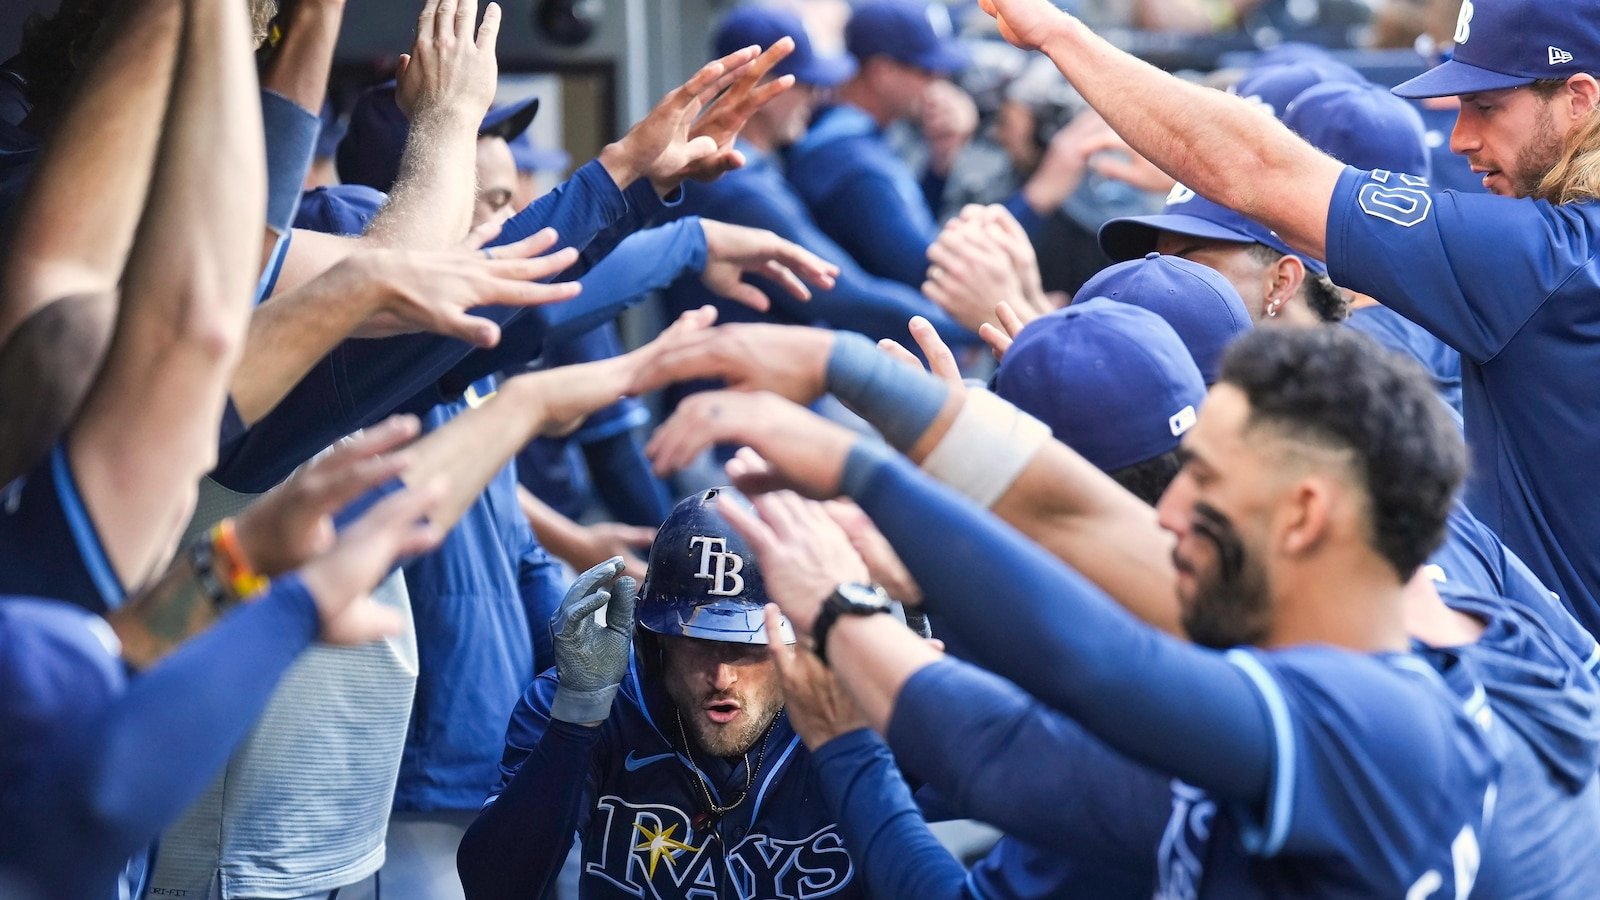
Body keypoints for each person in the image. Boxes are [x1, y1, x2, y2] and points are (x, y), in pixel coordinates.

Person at [644, 326, 1502, 895]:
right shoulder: (1340, 636)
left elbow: (1031, 723)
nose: (1167, 514)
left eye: (1206, 481)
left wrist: (840, 611)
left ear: (1305, 516)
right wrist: (847, 380)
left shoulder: (1373, 726)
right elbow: (1078, 515)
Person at [975, 0, 1600, 636]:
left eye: (1488, 105)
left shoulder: (1549, 263)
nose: (1462, 135)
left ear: (1579, 98)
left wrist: (1059, 33)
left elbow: (1257, 169)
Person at [0, 417, 449, 900]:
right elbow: (99, 798)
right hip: (229, 827)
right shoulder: (36, 651)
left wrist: (247, 566)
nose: (196, 463)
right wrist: (291, 605)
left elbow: (124, 648)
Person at [457, 488, 882, 900]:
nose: (721, 676)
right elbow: (494, 888)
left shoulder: (860, 709)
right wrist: (576, 719)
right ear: (655, 642)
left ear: (800, 642)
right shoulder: (581, 702)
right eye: (697, 642)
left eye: (748, 646)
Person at [657, 5, 975, 367]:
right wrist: (980, 325)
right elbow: (839, 293)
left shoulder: (755, 166)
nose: (816, 96)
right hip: (728, 397)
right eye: (804, 83)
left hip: (750, 390)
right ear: (757, 85)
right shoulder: (735, 184)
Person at [783, 0, 972, 288]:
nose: (940, 84)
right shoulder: (855, 163)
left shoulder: (849, 127)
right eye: (928, 72)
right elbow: (930, 277)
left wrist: (940, 162)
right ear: (883, 72)